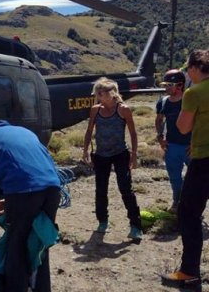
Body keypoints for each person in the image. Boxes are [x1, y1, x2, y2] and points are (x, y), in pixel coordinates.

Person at [0, 119, 61, 292]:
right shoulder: (25, 131)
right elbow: (41, 165)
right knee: (40, 240)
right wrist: (12, 197)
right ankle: (42, 288)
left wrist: (8, 194)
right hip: (53, 187)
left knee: (16, 243)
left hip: (23, 191)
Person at [161, 49, 209, 288]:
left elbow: (182, 127)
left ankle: (189, 272)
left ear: (193, 69)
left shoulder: (195, 92)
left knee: (188, 214)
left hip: (204, 160)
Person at [82, 77, 143, 241]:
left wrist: (134, 155)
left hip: (120, 154)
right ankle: (103, 221)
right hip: (101, 155)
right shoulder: (95, 109)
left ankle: (136, 225)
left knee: (125, 189)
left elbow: (133, 133)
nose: (97, 96)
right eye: (97, 93)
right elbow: (89, 131)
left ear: (110, 93)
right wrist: (86, 149)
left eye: (99, 93)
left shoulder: (123, 109)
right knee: (101, 189)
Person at [155, 69, 191, 213]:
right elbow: (158, 120)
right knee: (175, 178)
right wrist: (160, 137)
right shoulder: (163, 102)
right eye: (166, 84)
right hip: (172, 146)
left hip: (190, 146)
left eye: (170, 85)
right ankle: (177, 202)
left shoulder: (189, 100)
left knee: (196, 178)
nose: (166, 88)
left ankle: (193, 205)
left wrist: (195, 143)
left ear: (180, 85)